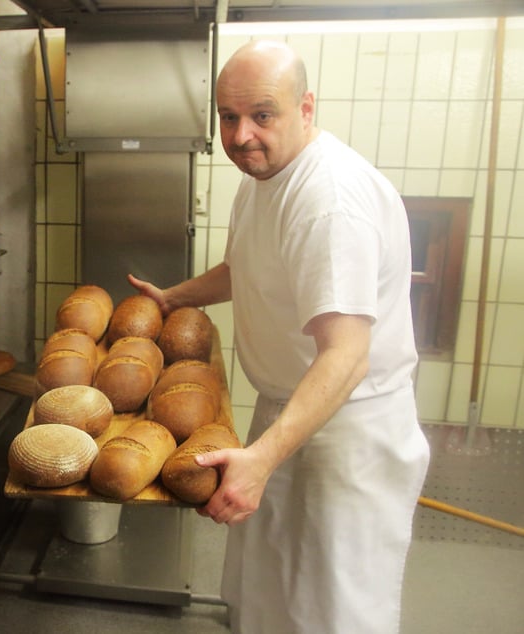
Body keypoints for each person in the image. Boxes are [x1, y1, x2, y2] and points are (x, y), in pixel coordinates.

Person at [129, 40, 430, 634]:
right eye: (228, 117)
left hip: (348, 431)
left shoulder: (330, 203)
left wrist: (262, 458)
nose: (241, 136)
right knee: (268, 593)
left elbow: (347, 355)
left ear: (306, 108)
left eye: (262, 115)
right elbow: (247, 266)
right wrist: (173, 298)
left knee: (334, 604)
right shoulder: (264, 175)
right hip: (289, 412)